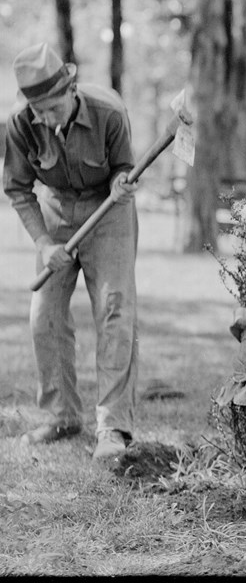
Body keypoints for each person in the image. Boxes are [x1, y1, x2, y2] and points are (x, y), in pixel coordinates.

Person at [3, 42, 139, 460]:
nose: (44, 118)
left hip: (108, 209)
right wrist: (44, 244)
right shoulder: (20, 124)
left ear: (71, 89)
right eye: (37, 109)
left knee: (114, 308)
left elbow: (124, 168)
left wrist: (122, 182)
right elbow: (17, 189)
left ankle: (113, 427)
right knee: (43, 314)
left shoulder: (109, 111)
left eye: (51, 108)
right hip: (56, 209)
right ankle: (61, 416)